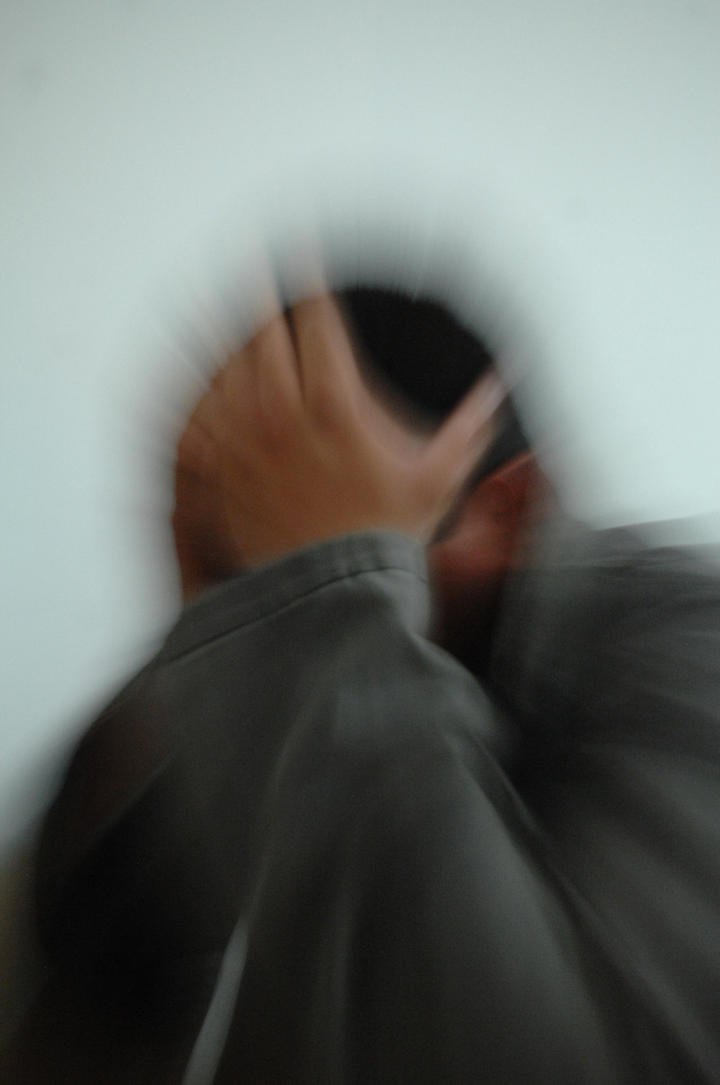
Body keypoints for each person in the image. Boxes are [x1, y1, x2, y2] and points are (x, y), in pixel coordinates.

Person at [5, 271, 720, 1083]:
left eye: (303, 509)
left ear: (508, 503)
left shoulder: (690, 644)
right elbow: (89, 966)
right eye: (222, 522)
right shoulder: (277, 645)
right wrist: (217, 647)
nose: (250, 572)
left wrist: (322, 584)